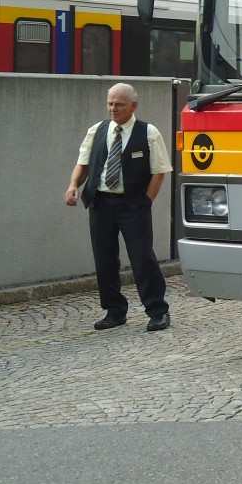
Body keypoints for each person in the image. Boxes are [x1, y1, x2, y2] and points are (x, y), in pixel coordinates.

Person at [64, 82, 172, 331]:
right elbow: (83, 164)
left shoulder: (148, 132)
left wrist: (146, 202)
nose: (113, 108)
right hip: (100, 203)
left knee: (142, 258)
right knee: (104, 259)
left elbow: (159, 172)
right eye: (110, 103)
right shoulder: (97, 130)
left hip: (133, 205)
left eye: (119, 105)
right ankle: (114, 311)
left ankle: (157, 311)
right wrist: (73, 185)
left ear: (134, 106)